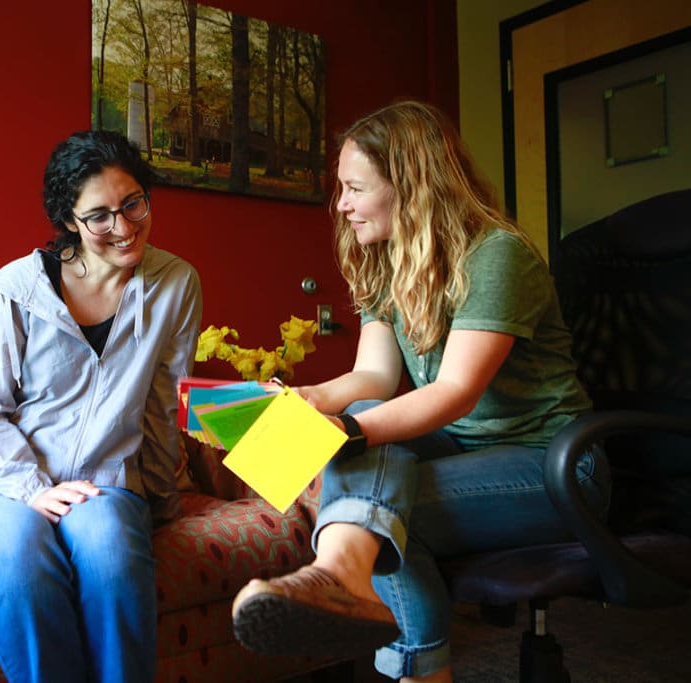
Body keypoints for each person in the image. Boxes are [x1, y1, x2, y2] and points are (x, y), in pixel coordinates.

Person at [230, 101, 610, 682]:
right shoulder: (388, 264)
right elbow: (374, 379)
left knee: (376, 506)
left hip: (557, 465)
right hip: (467, 450)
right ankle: (352, 588)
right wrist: (306, 400)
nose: (342, 205)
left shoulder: (496, 255)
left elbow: (456, 390)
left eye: (355, 188)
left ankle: (363, 603)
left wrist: (349, 432)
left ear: (410, 185)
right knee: (364, 418)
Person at [0, 130, 202, 683]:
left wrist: (160, 500)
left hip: (100, 487)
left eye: (134, 203)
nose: (123, 227)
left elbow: (165, 403)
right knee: (20, 550)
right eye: (99, 216)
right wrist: (33, 491)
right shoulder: (18, 286)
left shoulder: (176, 284)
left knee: (112, 548)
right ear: (69, 220)